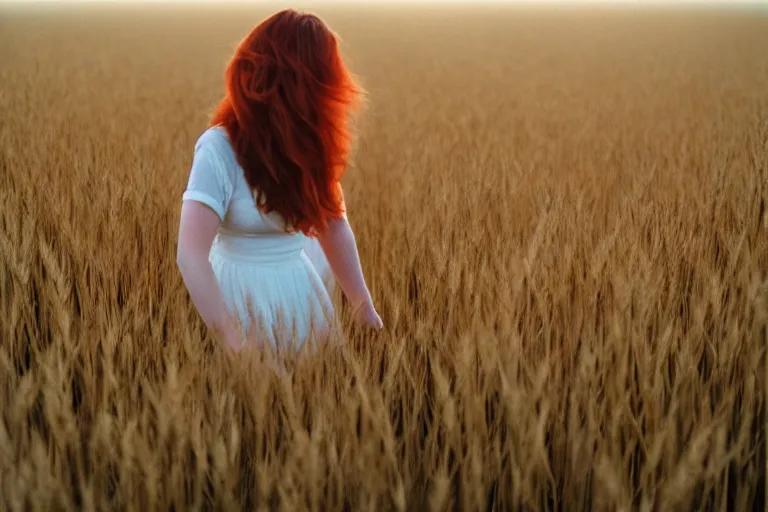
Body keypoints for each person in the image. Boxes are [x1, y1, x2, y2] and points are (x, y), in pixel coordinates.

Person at [176, 9, 382, 353]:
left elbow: (333, 224)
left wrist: (364, 307)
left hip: (300, 295)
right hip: (235, 298)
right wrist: (233, 341)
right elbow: (190, 255)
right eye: (318, 83)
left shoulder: (310, 144)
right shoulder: (218, 148)